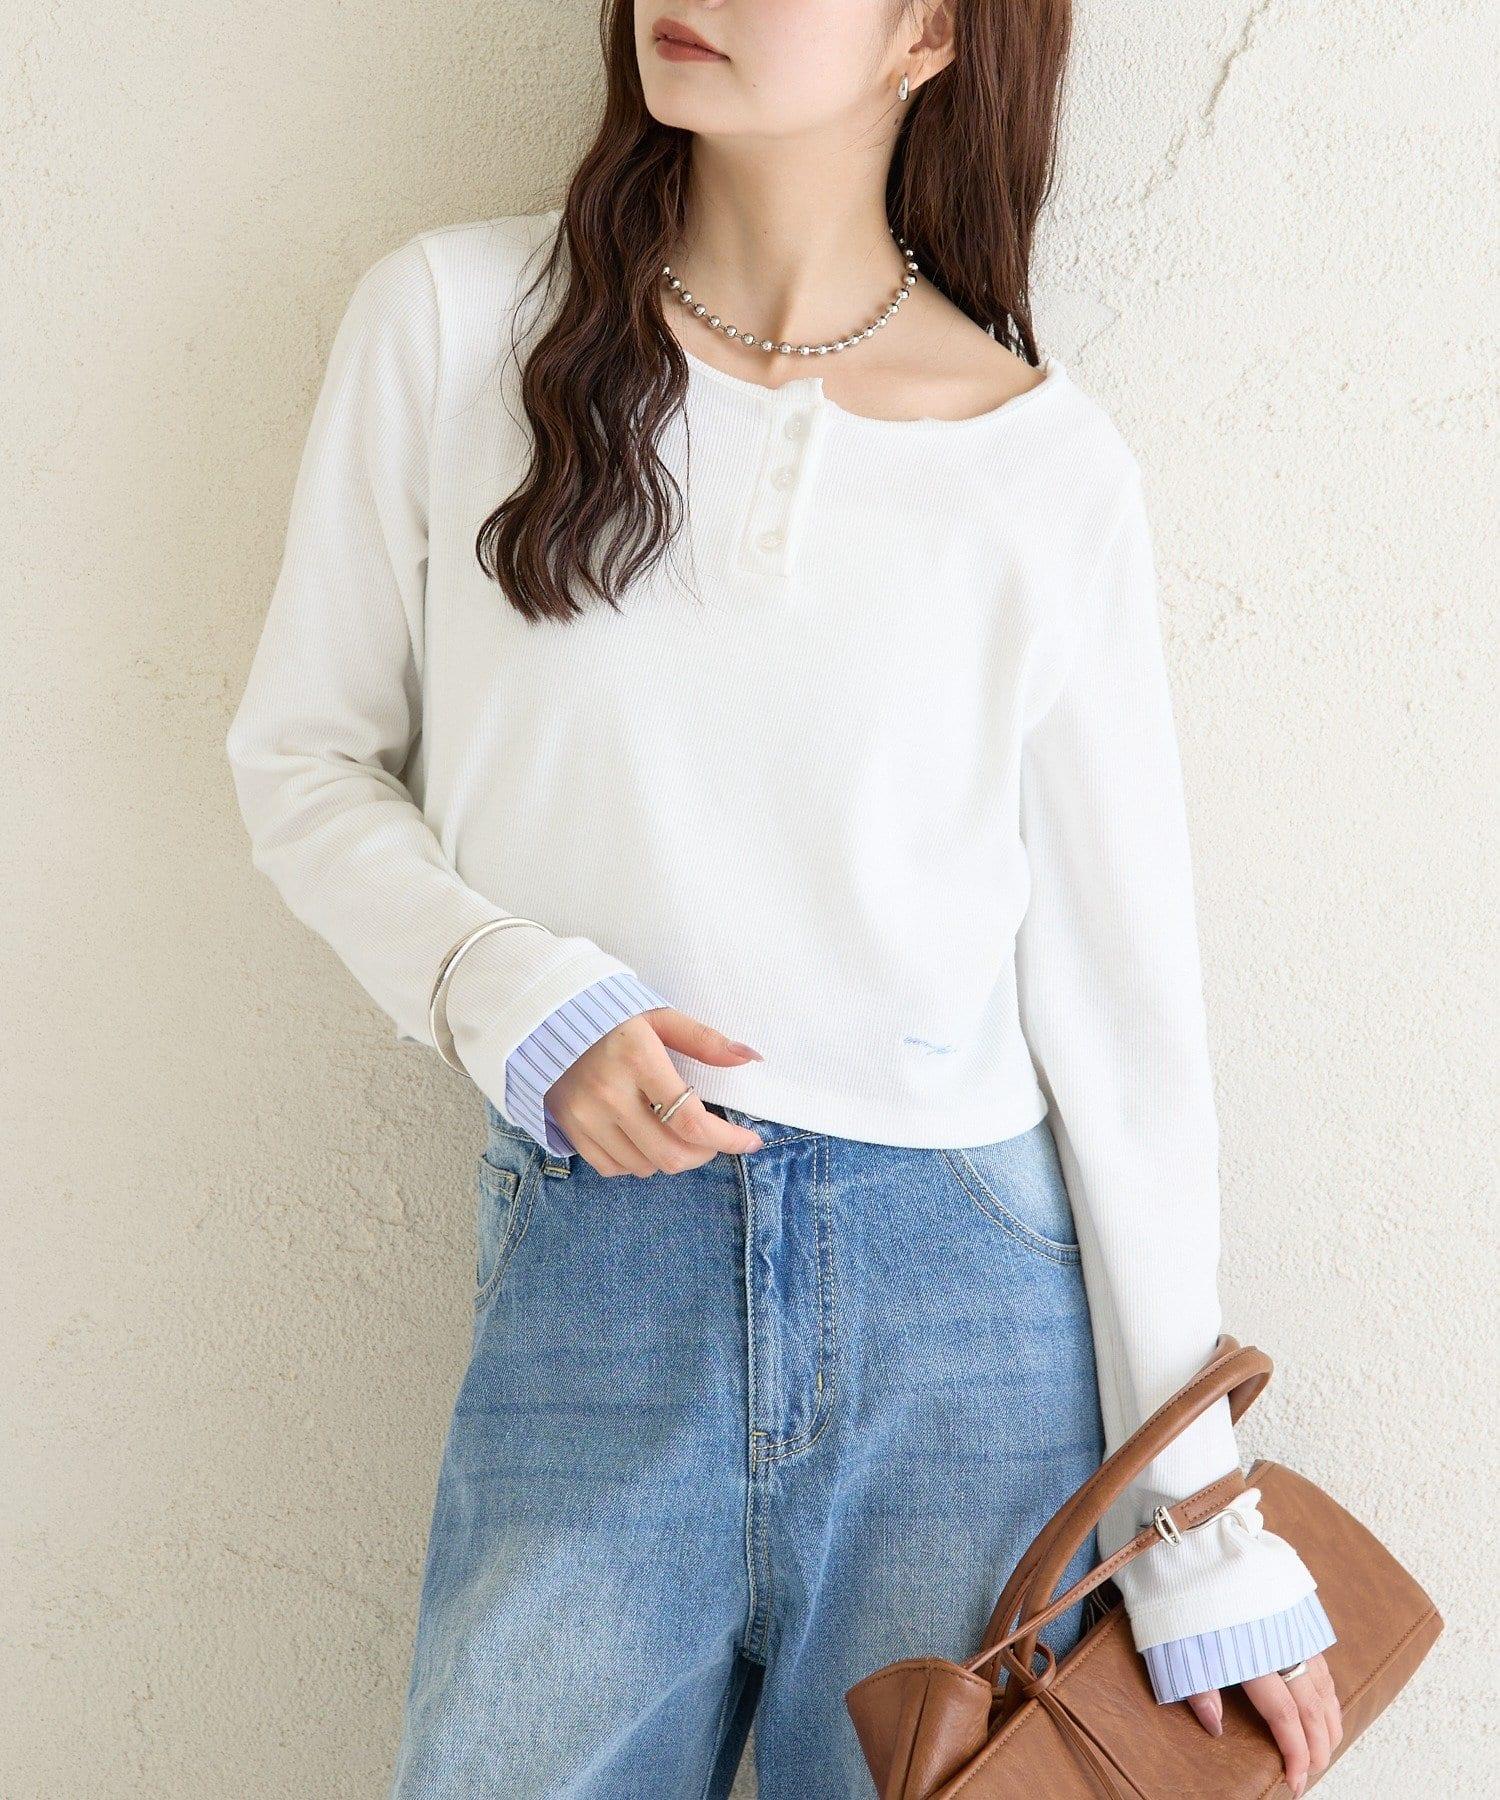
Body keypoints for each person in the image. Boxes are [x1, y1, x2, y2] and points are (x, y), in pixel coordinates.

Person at [224, 4, 1343, 1794]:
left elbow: (1123, 1024)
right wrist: (507, 988)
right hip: (602, 1262)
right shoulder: (452, 324)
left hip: (969, 1313)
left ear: (932, 32)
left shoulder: (1046, 468)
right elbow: (303, 760)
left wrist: (1199, 1525)